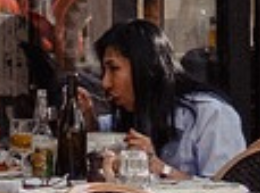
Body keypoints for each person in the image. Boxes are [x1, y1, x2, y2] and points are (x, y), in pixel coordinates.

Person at [92, 19, 244, 179]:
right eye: (104, 71)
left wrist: (160, 168)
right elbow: (104, 133)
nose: (105, 83)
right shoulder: (132, 114)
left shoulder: (211, 115)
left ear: (145, 69)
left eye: (114, 69)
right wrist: (88, 120)